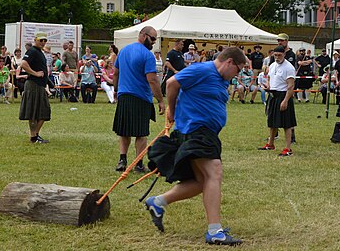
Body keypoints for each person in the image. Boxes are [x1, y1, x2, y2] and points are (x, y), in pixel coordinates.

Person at [144, 47, 245, 245]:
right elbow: (173, 83)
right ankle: (215, 232)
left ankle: (158, 202)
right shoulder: (203, 69)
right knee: (214, 173)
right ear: (229, 62)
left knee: (202, 181)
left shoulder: (220, 78)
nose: (237, 75)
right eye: (238, 70)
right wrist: (171, 110)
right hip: (197, 130)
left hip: (204, 132)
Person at [113, 26, 164, 173]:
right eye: (152, 38)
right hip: (141, 97)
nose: (154, 42)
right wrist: (160, 100)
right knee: (141, 133)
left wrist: (117, 90)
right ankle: (139, 164)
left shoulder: (123, 51)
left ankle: (122, 160)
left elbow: (116, 73)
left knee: (124, 131)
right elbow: (152, 80)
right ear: (143, 35)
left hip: (124, 96)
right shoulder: (147, 56)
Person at [258, 45, 297, 157]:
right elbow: (270, 77)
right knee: (272, 121)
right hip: (273, 95)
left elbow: (291, 86)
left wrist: (285, 101)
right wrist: (268, 86)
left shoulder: (289, 68)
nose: (277, 57)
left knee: (286, 124)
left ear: (284, 54)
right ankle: (270, 144)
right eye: (275, 55)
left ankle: (288, 148)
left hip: (284, 95)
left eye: (279, 55)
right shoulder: (272, 65)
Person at [19, 32, 51, 143]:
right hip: (33, 84)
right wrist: (35, 73)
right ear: (35, 40)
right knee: (33, 112)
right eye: (41, 40)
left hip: (40, 85)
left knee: (43, 112)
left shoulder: (39, 52)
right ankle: (34, 136)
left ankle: (35, 135)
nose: (43, 42)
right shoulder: (32, 51)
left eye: (45, 40)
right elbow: (23, 64)